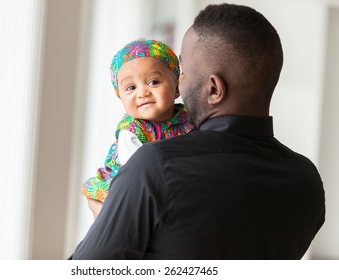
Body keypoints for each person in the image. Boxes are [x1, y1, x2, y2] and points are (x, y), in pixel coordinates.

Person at [71, 3, 325, 259]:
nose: (179, 82)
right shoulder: (307, 182)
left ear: (214, 89)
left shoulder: (155, 166)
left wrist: (104, 221)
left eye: (183, 72)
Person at [82, 39, 194, 217]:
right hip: (129, 181)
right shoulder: (131, 130)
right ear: (120, 96)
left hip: (169, 180)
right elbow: (137, 169)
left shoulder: (187, 118)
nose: (143, 93)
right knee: (120, 208)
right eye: (131, 87)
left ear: (177, 87)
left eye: (153, 82)